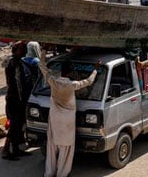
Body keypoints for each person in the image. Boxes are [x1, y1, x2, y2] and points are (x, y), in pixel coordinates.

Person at [38, 48, 101, 177]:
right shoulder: (72, 85)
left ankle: (49, 173)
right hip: (67, 120)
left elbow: (41, 65)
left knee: (52, 146)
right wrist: (95, 69)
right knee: (66, 147)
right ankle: (62, 173)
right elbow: (89, 81)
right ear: (71, 72)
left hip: (54, 117)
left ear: (61, 71)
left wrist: (44, 50)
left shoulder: (53, 81)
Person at [2, 42, 31, 160]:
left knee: (18, 125)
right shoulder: (12, 63)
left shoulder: (19, 62)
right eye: (23, 49)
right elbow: (16, 84)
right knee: (14, 126)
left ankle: (16, 149)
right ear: (16, 51)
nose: (25, 51)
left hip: (19, 99)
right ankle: (5, 150)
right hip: (14, 100)